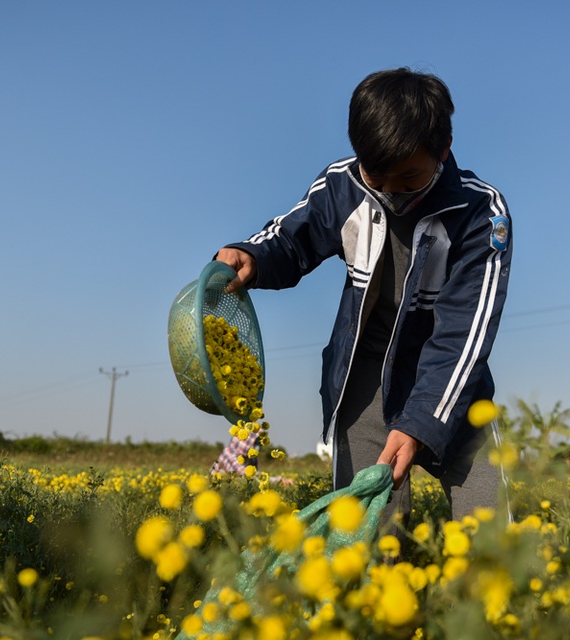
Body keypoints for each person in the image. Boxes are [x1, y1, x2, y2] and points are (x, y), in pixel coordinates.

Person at [214, 68, 513, 524]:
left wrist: (419, 423)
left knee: (488, 529)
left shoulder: (480, 214)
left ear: (444, 147)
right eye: (377, 178)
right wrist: (253, 256)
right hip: (364, 378)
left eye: (409, 178)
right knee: (367, 531)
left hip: (449, 381)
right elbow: (292, 240)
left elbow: (463, 338)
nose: (392, 194)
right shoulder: (343, 185)